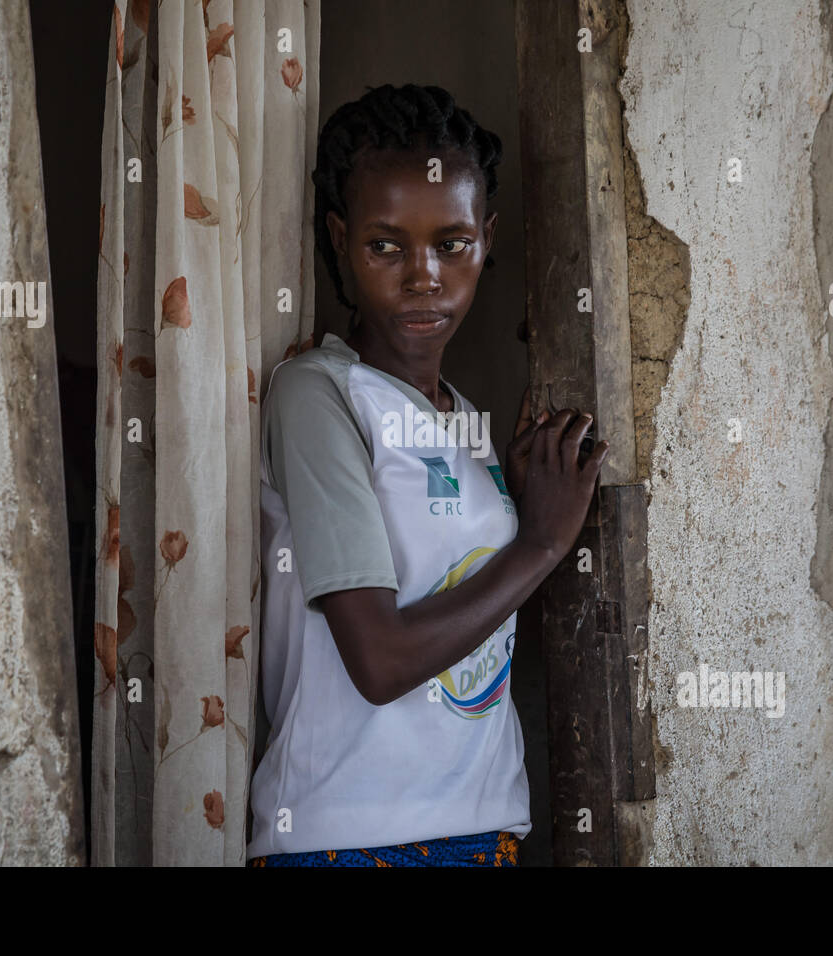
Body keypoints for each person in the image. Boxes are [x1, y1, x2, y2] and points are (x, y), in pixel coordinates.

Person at [246, 83, 609, 866]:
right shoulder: (319, 394)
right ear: (341, 241)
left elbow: (490, 640)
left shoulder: (465, 423)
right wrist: (540, 544)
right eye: (386, 245)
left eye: (452, 243)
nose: (424, 276)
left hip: (484, 828)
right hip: (350, 840)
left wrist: (519, 504)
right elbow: (378, 663)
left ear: (487, 240)